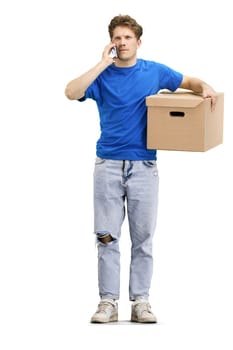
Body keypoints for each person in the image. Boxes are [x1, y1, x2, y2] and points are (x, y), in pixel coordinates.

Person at [65, 14, 216, 323]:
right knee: (106, 236)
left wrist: (207, 88)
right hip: (107, 164)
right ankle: (108, 302)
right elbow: (71, 91)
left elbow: (190, 83)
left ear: (138, 42)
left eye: (127, 38)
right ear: (111, 42)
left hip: (145, 165)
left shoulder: (154, 72)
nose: (122, 43)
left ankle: (141, 302)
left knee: (143, 238)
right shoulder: (102, 77)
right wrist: (101, 64)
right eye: (117, 38)